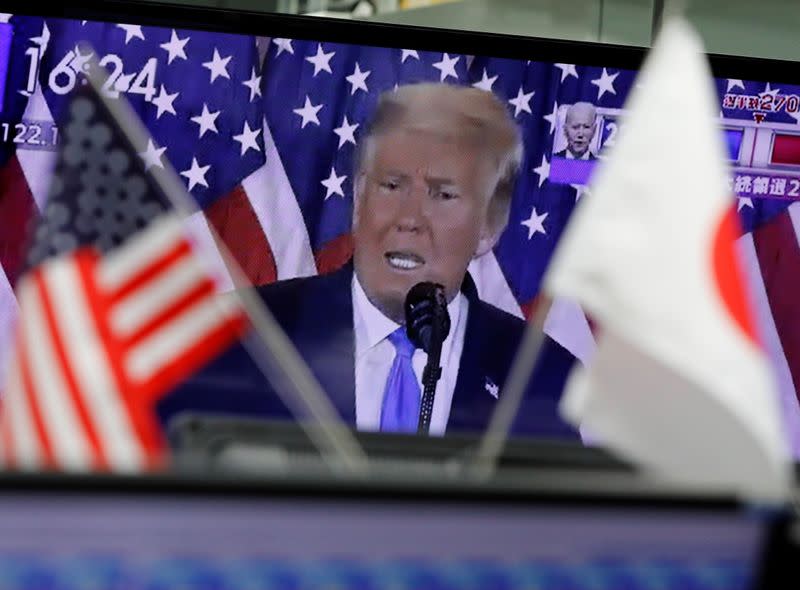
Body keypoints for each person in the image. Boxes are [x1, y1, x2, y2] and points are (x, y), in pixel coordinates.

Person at [159, 83, 577, 438]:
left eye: (442, 194)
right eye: (392, 186)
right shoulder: (238, 339)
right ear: (359, 199)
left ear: (489, 226)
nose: (409, 219)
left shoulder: (544, 378)